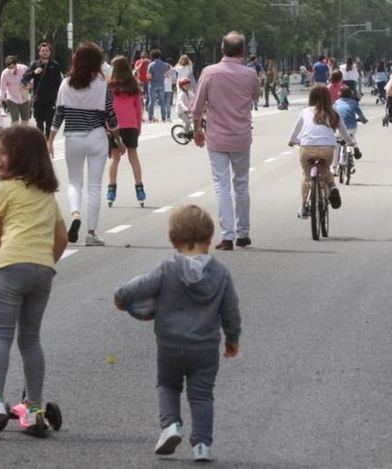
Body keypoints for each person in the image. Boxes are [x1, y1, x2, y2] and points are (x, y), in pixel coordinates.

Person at [113, 204, 241, 463]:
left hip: (170, 344)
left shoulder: (167, 268)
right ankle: (202, 445)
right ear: (210, 239)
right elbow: (231, 311)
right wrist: (232, 339)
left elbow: (140, 286)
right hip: (205, 348)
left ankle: (171, 425)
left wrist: (120, 296)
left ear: (173, 240)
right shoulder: (220, 273)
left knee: (168, 385)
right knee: (202, 395)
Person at [0, 125, 68, 436]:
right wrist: (45, 261)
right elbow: (62, 236)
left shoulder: (4, 190)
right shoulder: (47, 194)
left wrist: (3, 262)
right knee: (30, 339)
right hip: (43, 270)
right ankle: (34, 408)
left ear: (21, 158)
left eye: (3, 152)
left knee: (0, 334)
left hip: (11, 265)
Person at [48, 42, 123, 247]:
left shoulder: (66, 83)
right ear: (97, 62)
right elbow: (110, 115)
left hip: (73, 137)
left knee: (74, 182)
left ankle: (75, 214)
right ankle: (91, 233)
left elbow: (59, 114)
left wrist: (50, 140)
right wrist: (118, 141)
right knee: (95, 186)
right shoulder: (102, 85)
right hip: (97, 137)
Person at [191, 31, 261, 250]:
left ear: (222, 49)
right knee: (241, 185)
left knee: (221, 185)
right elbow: (256, 96)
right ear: (242, 51)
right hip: (241, 136)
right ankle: (244, 234)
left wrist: (196, 130)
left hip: (217, 138)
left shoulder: (209, 73)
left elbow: (197, 106)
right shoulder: (250, 74)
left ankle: (227, 236)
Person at [288, 86, 355, 219]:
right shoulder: (333, 112)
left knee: (307, 177)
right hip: (327, 148)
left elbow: (294, 132)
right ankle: (332, 186)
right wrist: (350, 142)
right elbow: (344, 132)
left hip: (307, 148)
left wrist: (292, 141)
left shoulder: (305, 111)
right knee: (325, 169)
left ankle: (303, 207)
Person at [106, 56, 145, 208]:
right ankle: (139, 188)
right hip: (131, 125)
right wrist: (138, 127)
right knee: (133, 157)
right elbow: (138, 109)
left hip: (114, 126)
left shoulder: (110, 86)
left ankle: (111, 189)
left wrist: (107, 126)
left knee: (115, 158)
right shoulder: (133, 86)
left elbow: (106, 108)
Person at [24, 42, 63, 138]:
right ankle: (40, 144)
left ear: (50, 52)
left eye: (47, 51)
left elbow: (59, 83)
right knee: (39, 124)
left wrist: (58, 97)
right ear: (39, 52)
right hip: (38, 99)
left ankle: (48, 145)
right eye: (43, 51)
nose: (45, 52)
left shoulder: (55, 65)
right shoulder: (34, 64)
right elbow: (25, 77)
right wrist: (34, 73)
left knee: (49, 124)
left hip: (50, 100)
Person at [332, 86, 367, 175]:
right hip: (352, 126)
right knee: (351, 136)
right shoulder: (354, 103)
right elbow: (360, 114)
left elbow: (332, 115)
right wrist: (363, 120)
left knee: (336, 146)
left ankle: (334, 168)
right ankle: (355, 148)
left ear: (339, 94)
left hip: (339, 128)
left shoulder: (336, 103)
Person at [0, 55, 30, 124]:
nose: (11, 69)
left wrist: (29, 85)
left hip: (24, 97)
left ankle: (24, 134)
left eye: (12, 67)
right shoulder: (5, 73)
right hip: (12, 98)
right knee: (15, 120)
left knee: (25, 121)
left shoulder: (24, 69)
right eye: (9, 67)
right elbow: (2, 89)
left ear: (16, 65)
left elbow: (32, 79)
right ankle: (14, 134)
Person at [147, 49, 170, 122]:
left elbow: (149, 76)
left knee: (152, 101)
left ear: (152, 56)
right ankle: (163, 117)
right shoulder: (164, 64)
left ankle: (151, 117)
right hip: (161, 84)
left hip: (153, 84)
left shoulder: (151, 65)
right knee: (162, 101)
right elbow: (166, 73)